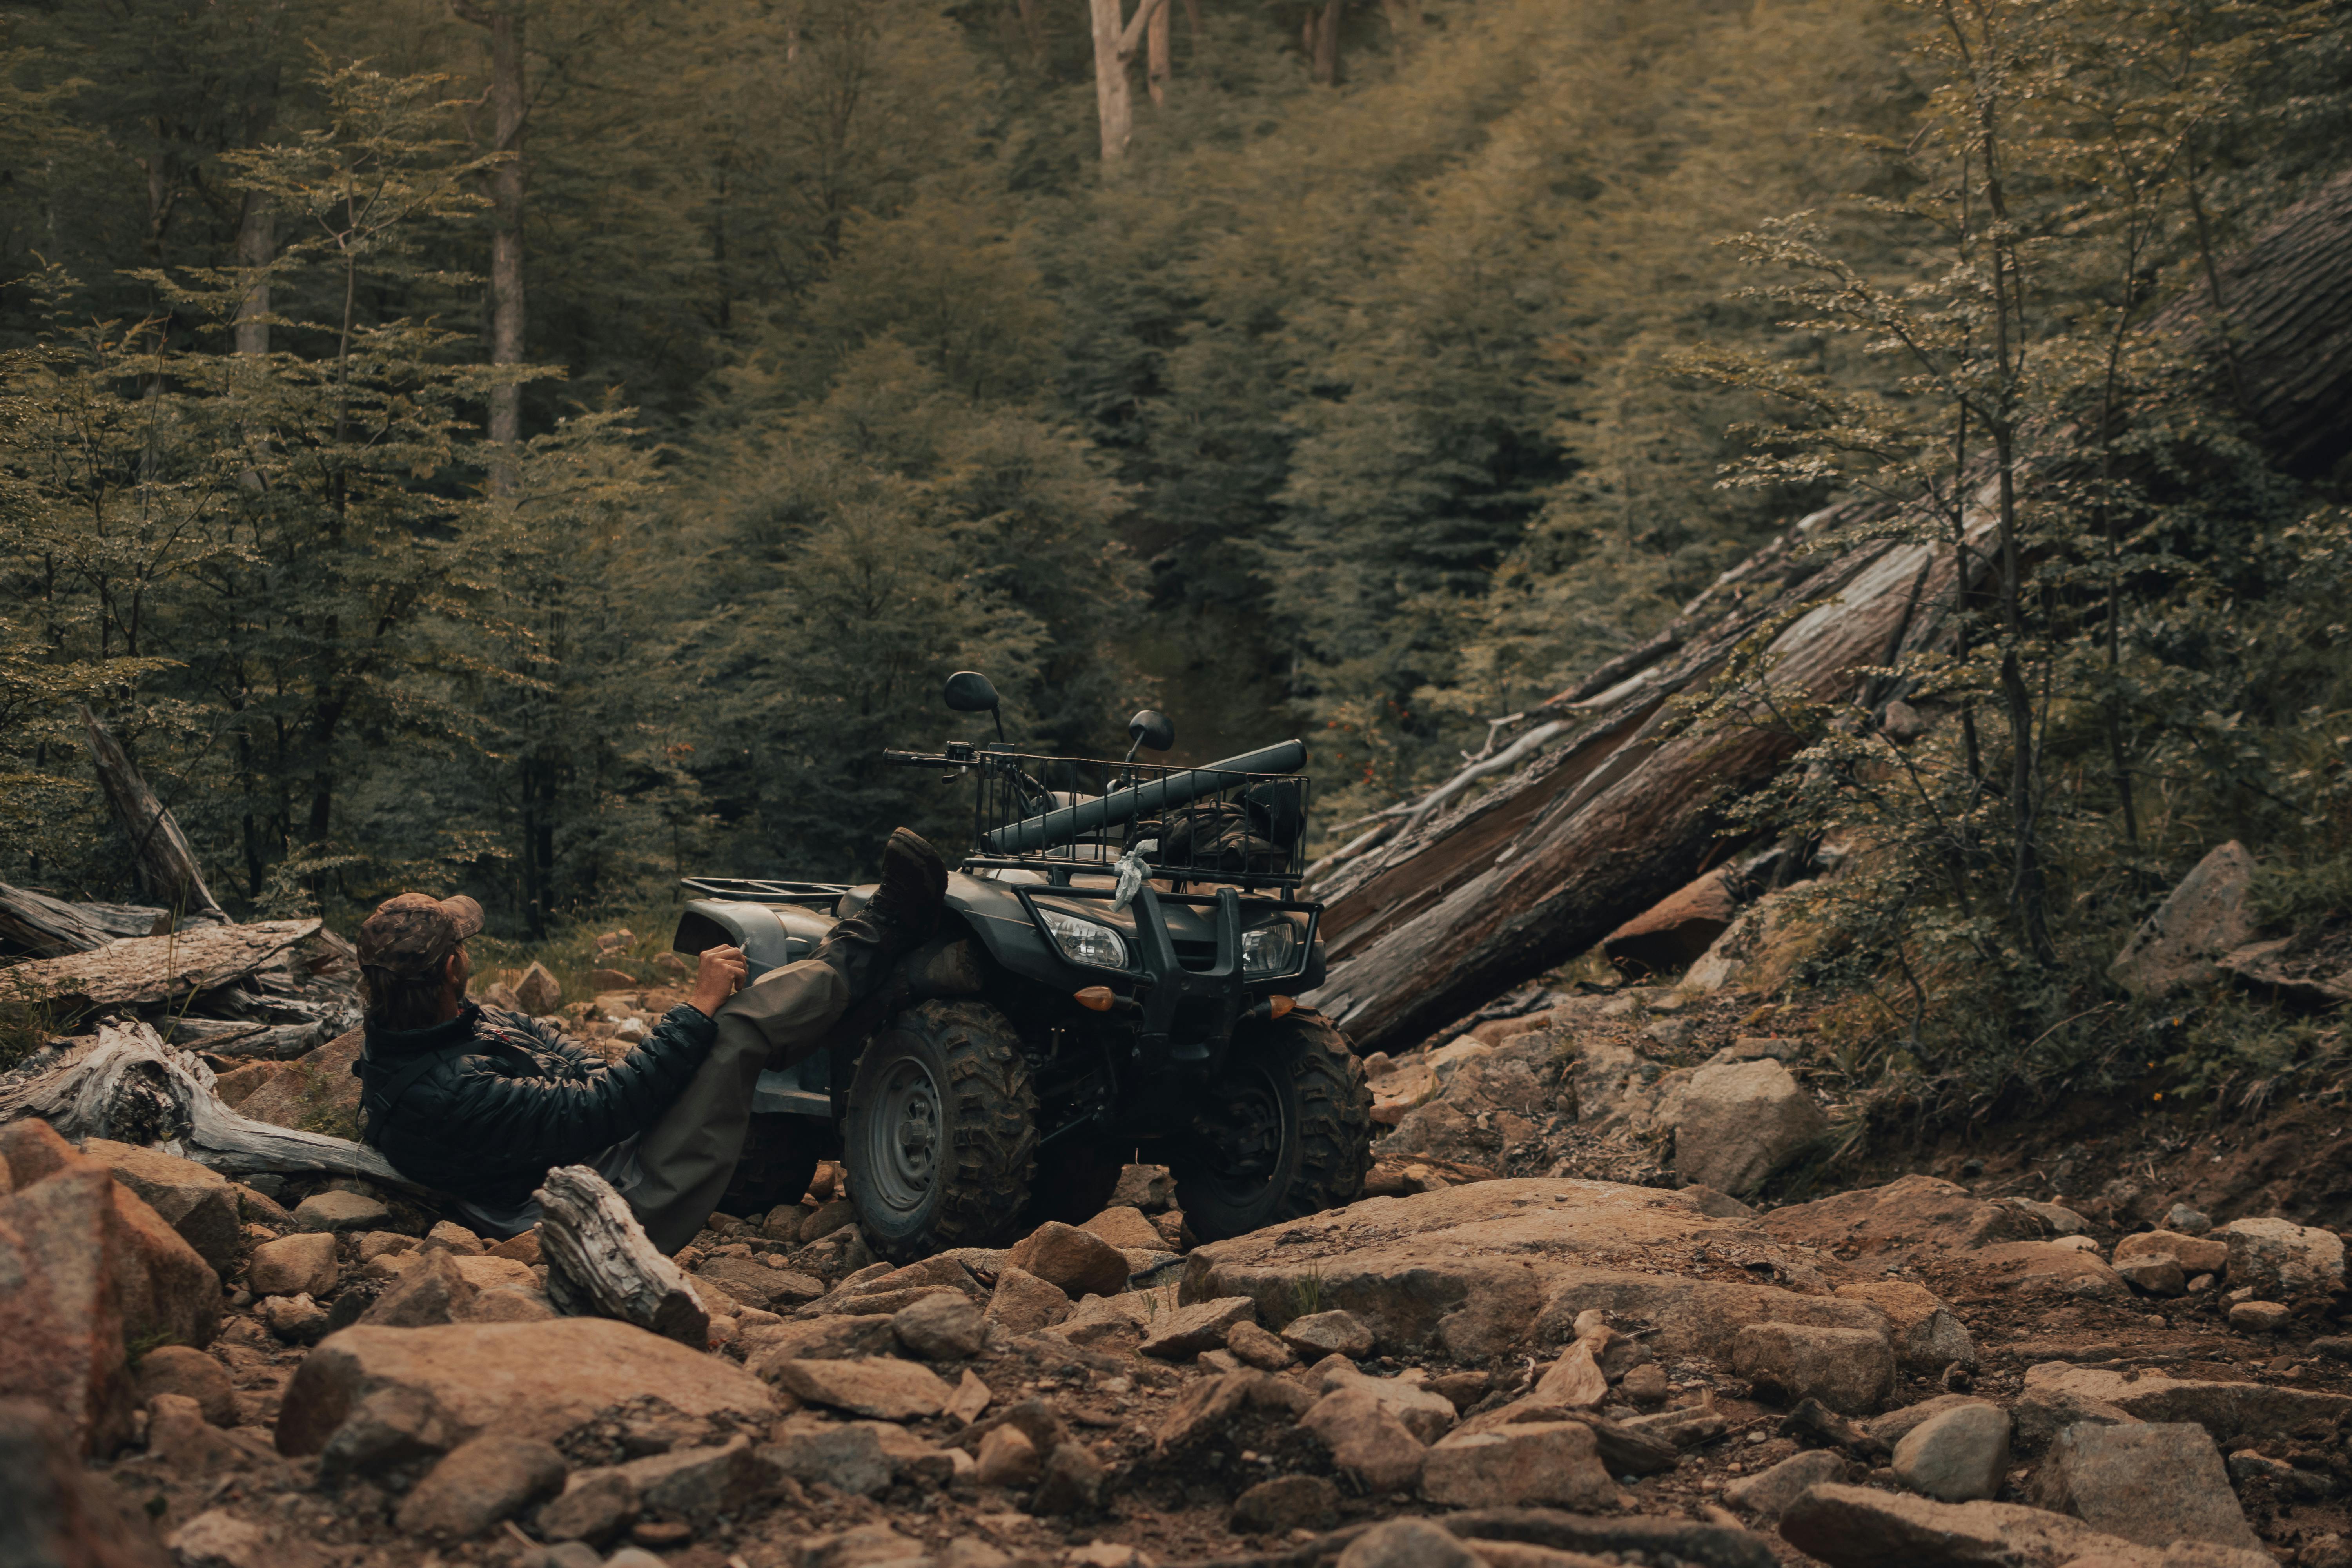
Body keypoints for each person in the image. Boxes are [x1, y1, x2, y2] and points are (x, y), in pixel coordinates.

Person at [351, 828, 948, 1251]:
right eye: (462, 943)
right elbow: (607, 1107)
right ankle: (887, 931)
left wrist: (646, 1069)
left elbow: (574, 1060)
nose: (468, 949)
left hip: (607, 1152)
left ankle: (878, 974)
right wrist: (695, 1010)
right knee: (733, 1028)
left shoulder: (440, 1026)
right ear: (451, 967)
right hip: (620, 1205)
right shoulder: (449, 1090)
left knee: (708, 1029)